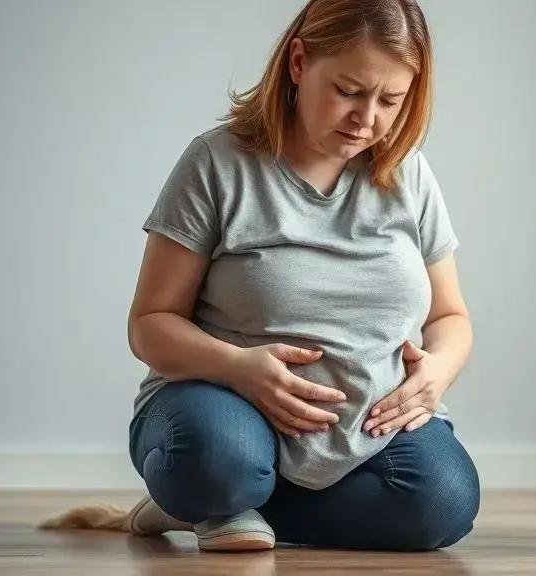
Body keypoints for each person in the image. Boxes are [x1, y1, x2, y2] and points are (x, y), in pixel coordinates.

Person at [125, 0, 478, 552]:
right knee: (217, 460)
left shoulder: (409, 173)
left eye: (391, 99)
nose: (368, 119)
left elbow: (450, 316)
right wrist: (240, 368)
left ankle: (217, 508)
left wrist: (437, 374)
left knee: (443, 505)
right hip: (225, 403)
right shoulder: (216, 163)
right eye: (348, 90)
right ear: (297, 62)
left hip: (368, 421)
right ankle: (218, 491)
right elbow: (149, 324)